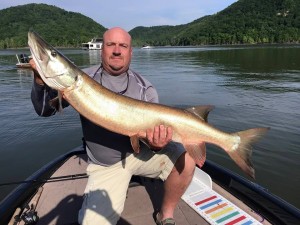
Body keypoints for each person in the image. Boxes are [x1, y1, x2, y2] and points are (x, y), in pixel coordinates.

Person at [30, 27, 199, 225]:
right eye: (111, 44)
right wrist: (40, 80)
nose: (117, 50)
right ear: (102, 49)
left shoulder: (146, 88)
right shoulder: (80, 80)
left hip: (140, 155)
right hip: (106, 165)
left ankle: (166, 214)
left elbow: (152, 141)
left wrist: (157, 144)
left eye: (123, 46)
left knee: (187, 159)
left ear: (130, 52)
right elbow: (44, 110)